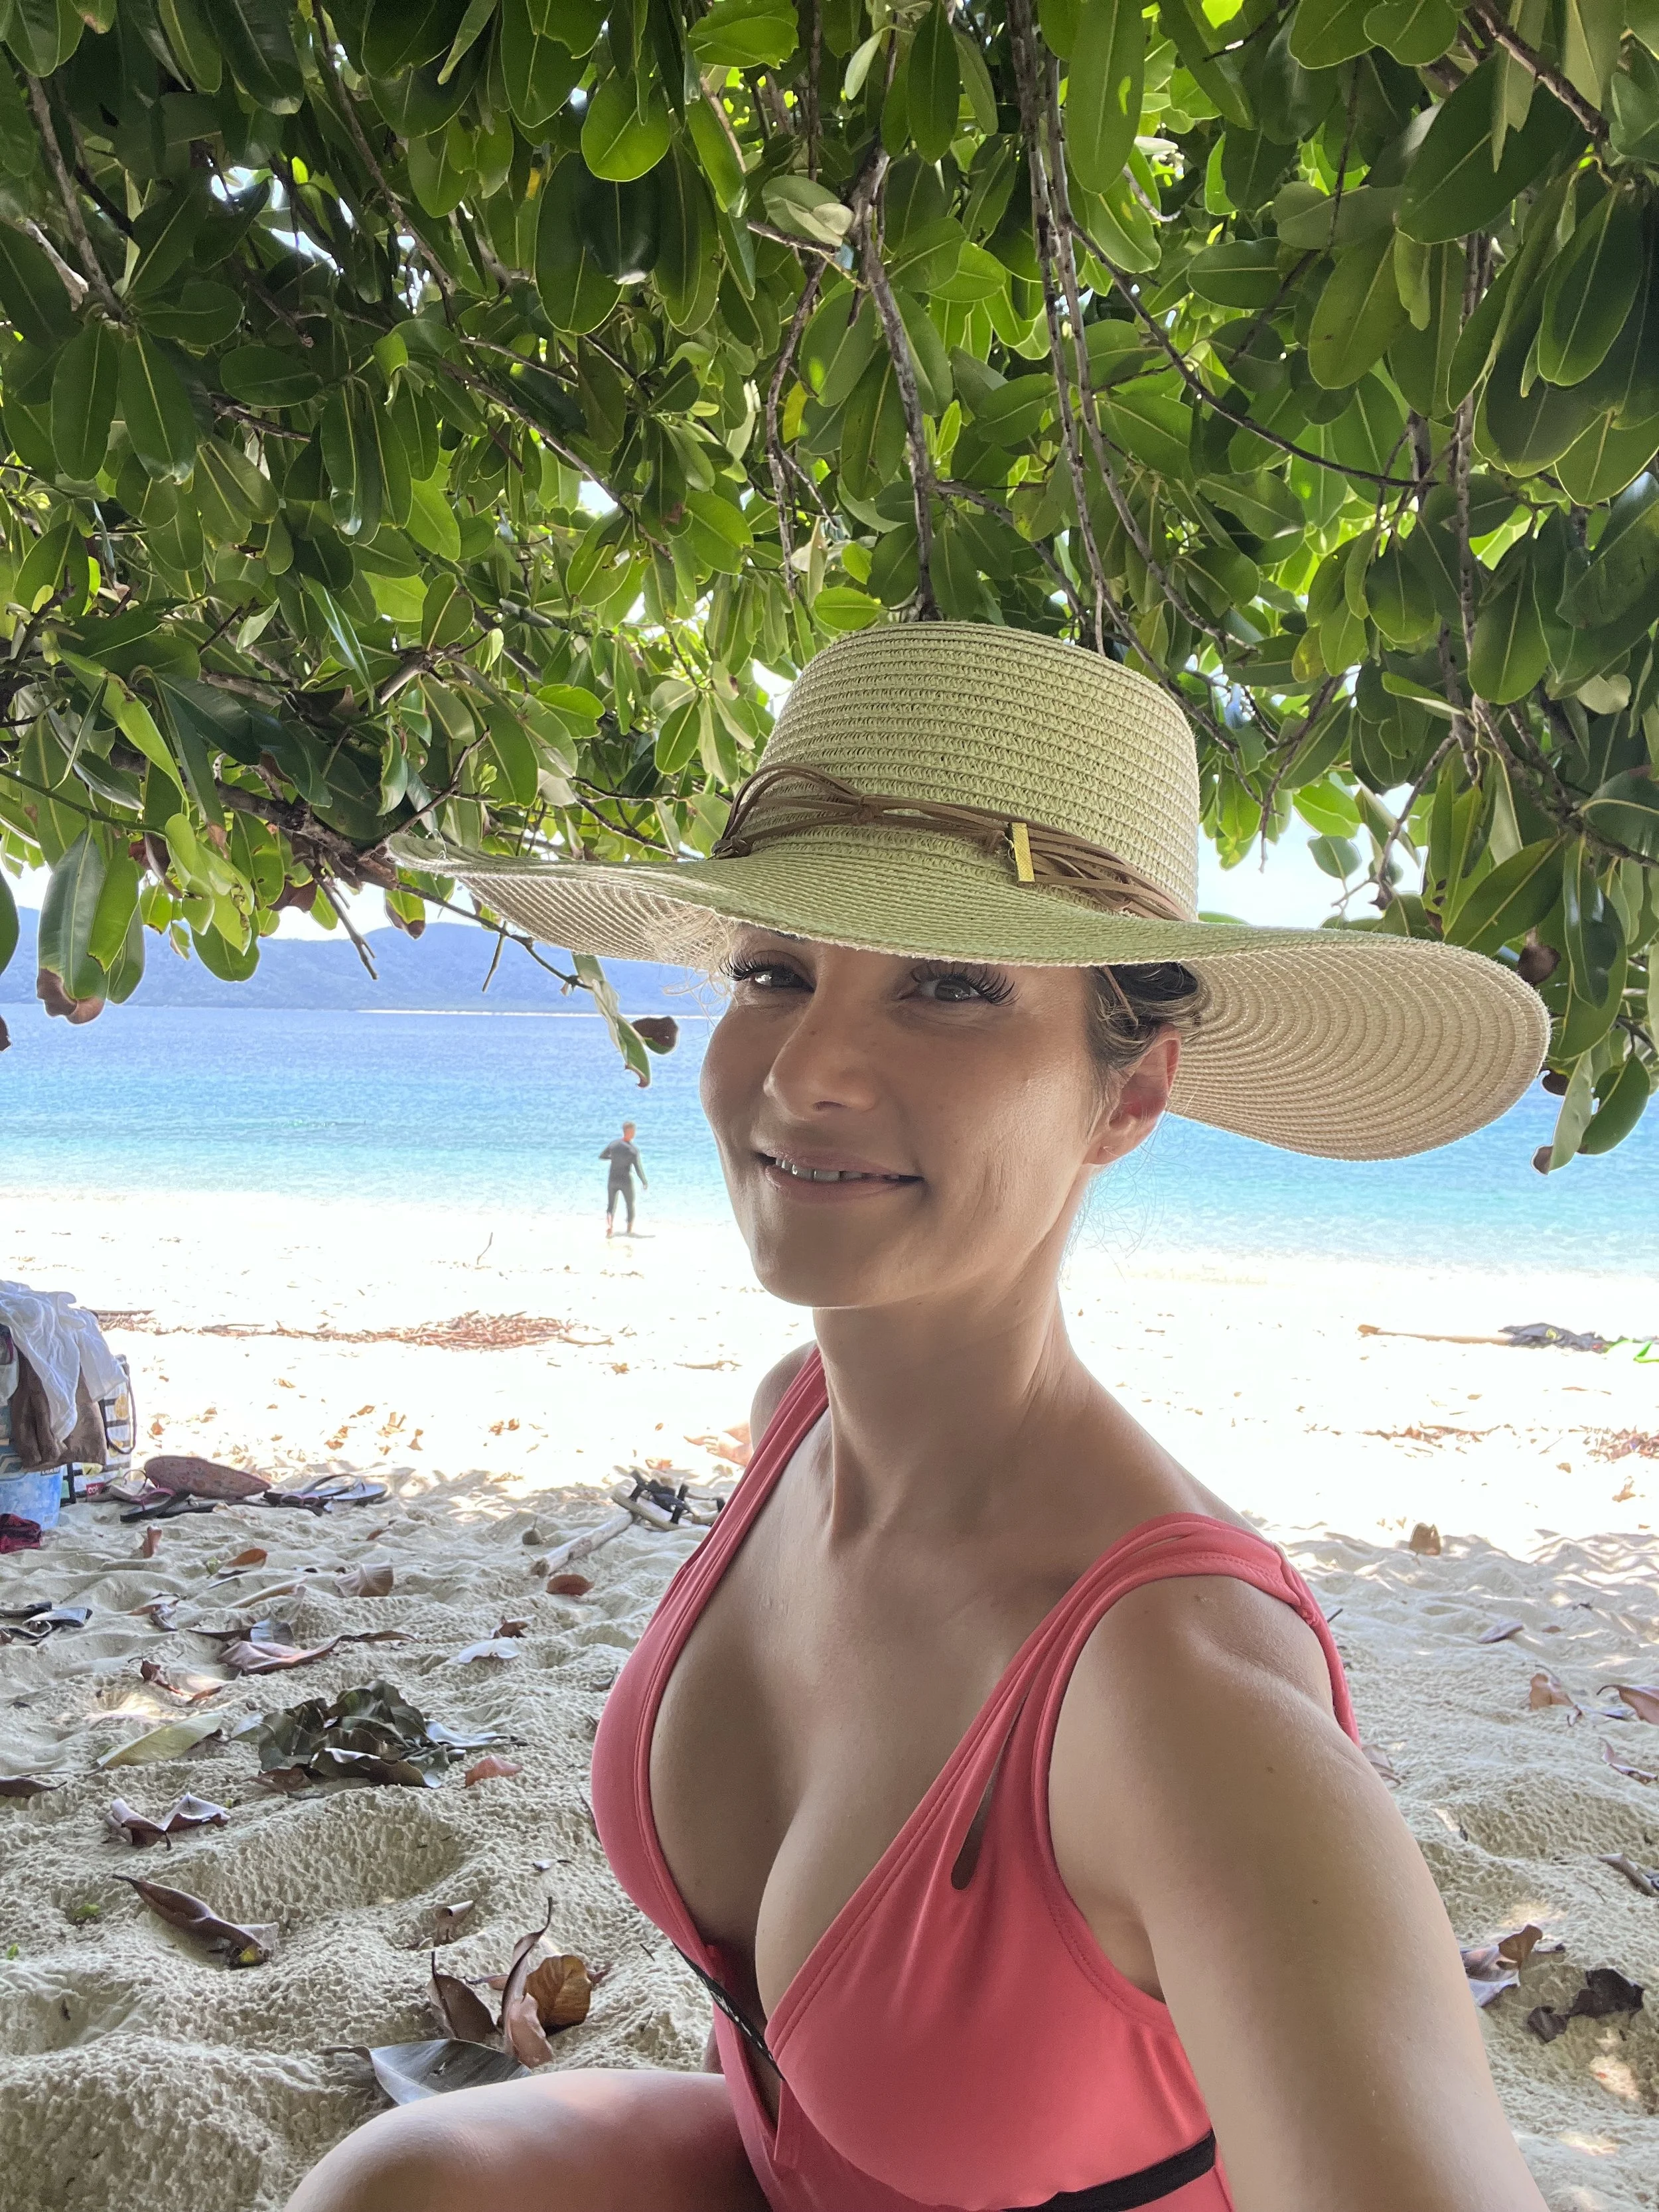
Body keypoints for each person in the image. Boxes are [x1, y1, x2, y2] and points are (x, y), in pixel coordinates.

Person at [299, 627, 1549, 2212]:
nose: (808, 1066)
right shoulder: (797, 1427)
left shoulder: (1181, 1699)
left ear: (1132, 1092)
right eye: (775, 971)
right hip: (788, 2166)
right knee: (404, 2188)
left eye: (950, 989)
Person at [599, 1120, 647, 1236]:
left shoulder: (614, 1145)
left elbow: (602, 1156)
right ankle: (629, 1231)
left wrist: (614, 1158)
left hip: (613, 1180)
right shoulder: (633, 1150)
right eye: (634, 1131)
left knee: (611, 1206)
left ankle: (609, 1228)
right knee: (630, 1205)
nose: (635, 1133)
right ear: (630, 1132)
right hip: (626, 1181)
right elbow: (638, 1168)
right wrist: (644, 1181)